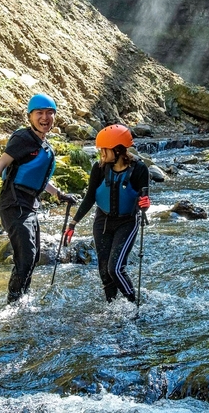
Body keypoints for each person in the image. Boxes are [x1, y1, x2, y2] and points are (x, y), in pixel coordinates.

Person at [0, 93, 76, 304]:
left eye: (49, 113)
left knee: (33, 256)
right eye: (39, 113)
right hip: (14, 203)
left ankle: (22, 300)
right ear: (30, 116)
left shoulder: (44, 145)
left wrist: (59, 194)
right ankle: (13, 305)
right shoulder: (23, 139)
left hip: (29, 205)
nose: (45, 118)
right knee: (26, 257)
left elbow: (36, 178)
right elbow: (1, 165)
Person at [64, 124, 150, 303]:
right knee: (104, 272)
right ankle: (112, 307)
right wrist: (73, 223)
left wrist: (145, 204)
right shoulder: (99, 168)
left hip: (127, 222)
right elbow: (89, 198)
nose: (101, 153)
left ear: (117, 150)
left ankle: (133, 303)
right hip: (102, 221)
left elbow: (143, 200)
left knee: (115, 269)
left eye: (104, 149)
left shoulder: (140, 169)